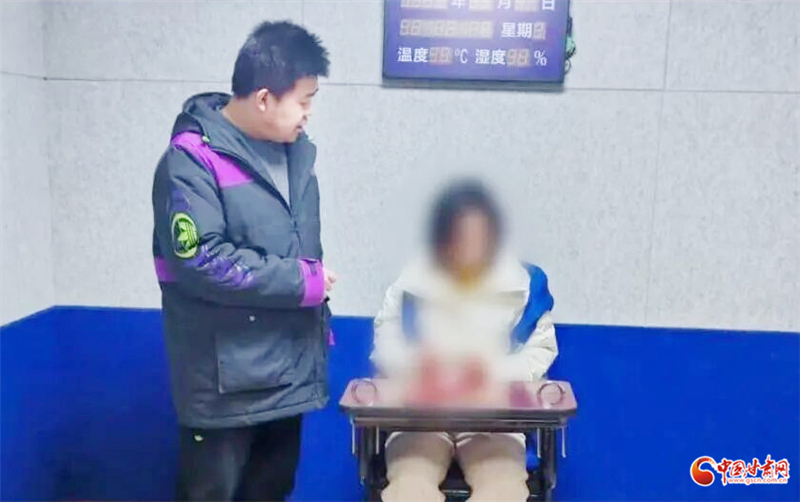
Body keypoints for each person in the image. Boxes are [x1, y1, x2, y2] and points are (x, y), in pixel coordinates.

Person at [150, 21, 334, 501]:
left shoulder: (297, 158)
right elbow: (200, 259)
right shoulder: (192, 161)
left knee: (272, 492)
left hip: (288, 375)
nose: (309, 113)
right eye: (304, 100)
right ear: (264, 98)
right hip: (223, 389)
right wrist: (302, 283)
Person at [371, 179, 559, 502]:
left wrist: (491, 372)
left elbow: (539, 352)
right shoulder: (413, 282)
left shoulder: (524, 287)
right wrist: (418, 366)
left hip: (495, 422)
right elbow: (386, 344)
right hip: (420, 419)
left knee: (502, 490)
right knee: (408, 488)